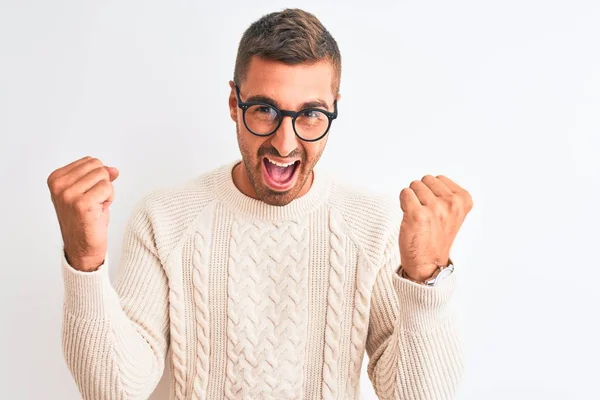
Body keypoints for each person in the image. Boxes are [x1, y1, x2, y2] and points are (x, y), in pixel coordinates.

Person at [47, 8, 472, 400]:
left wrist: (426, 277)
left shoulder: (372, 224)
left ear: (333, 110)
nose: (285, 143)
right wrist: (84, 262)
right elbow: (115, 390)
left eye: (310, 114)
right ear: (235, 103)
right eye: (265, 109)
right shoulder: (164, 218)